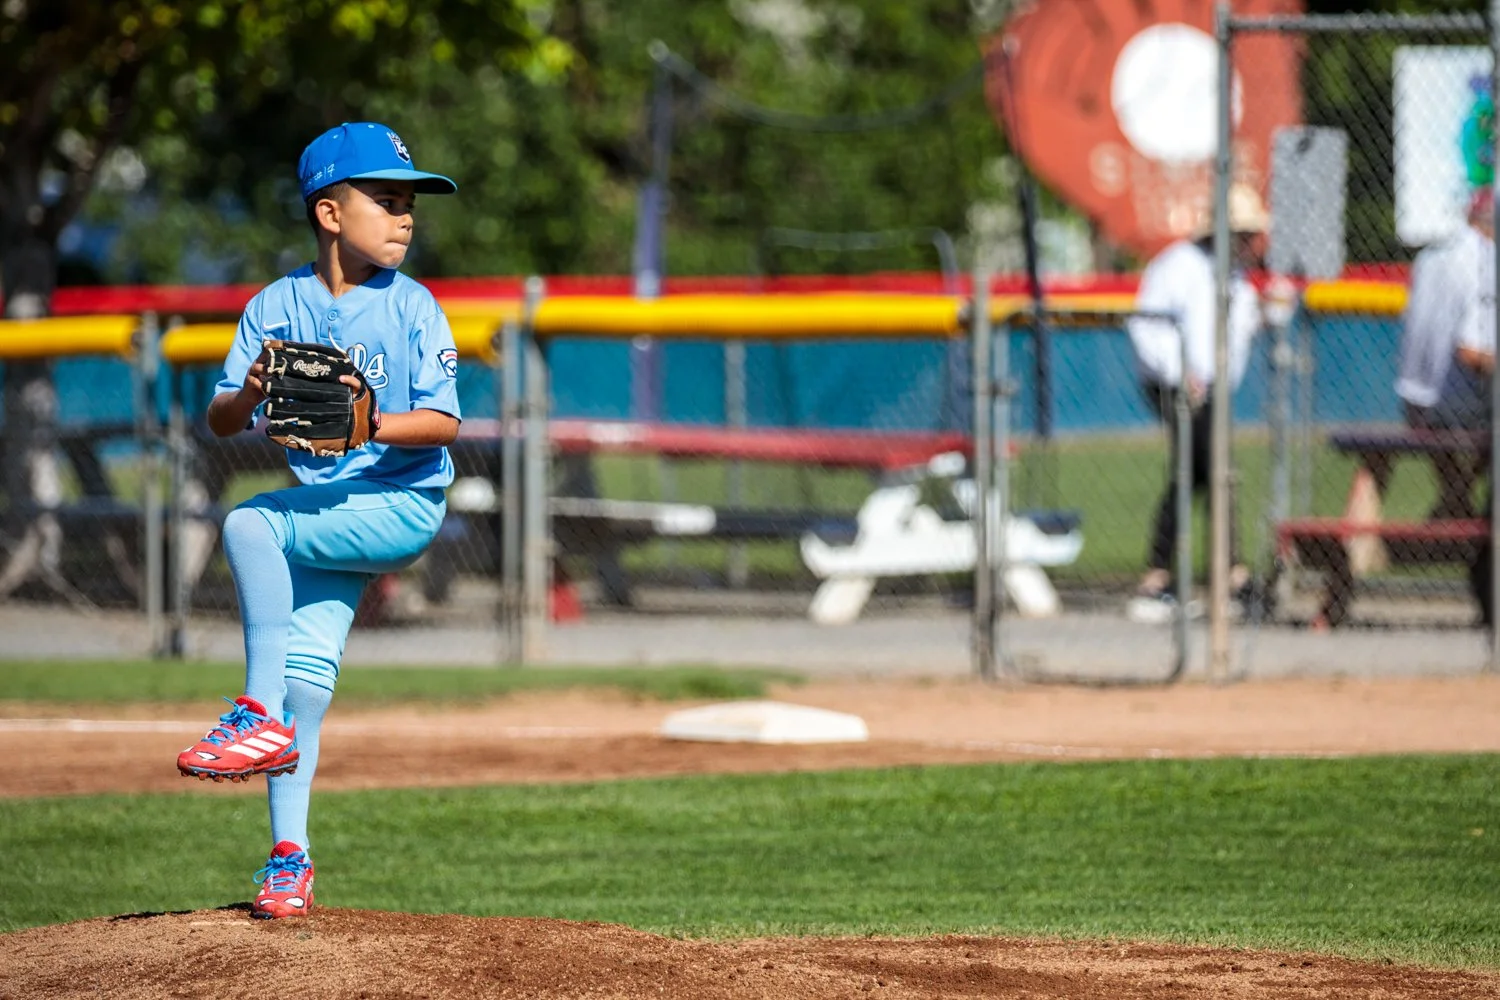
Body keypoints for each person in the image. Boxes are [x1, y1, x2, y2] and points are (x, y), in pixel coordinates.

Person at [175, 122, 462, 919]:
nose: (406, 217)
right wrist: (256, 385)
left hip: (402, 502)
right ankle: (289, 862)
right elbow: (224, 421)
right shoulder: (275, 306)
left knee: (248, 524)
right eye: (388, 199)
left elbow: (443, 423)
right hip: (331, 513)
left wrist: (370, 424)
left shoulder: (413, 308)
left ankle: (253, 715)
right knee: (308, 686)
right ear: (330, 213)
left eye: (411, 203)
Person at [1124, 183, 1268, 624]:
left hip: (1214, 389)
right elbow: (1146, 324)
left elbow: (1242, 332)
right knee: (1212, 469)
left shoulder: (1237, 278)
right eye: (1241, 233)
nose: (1248, 243)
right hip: (1177, 386)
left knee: (1197, 475)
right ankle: (1231, 573)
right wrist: (1180, 370)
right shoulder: (1178, 265)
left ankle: (1162, 575)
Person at [1395, 186, 1495, 519]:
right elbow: (1470, 352)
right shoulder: (1483, 261)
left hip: (1413, 400)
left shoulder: (1430, 256)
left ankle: (1454, 503)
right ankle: (1481, 526)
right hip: (1450, 407)